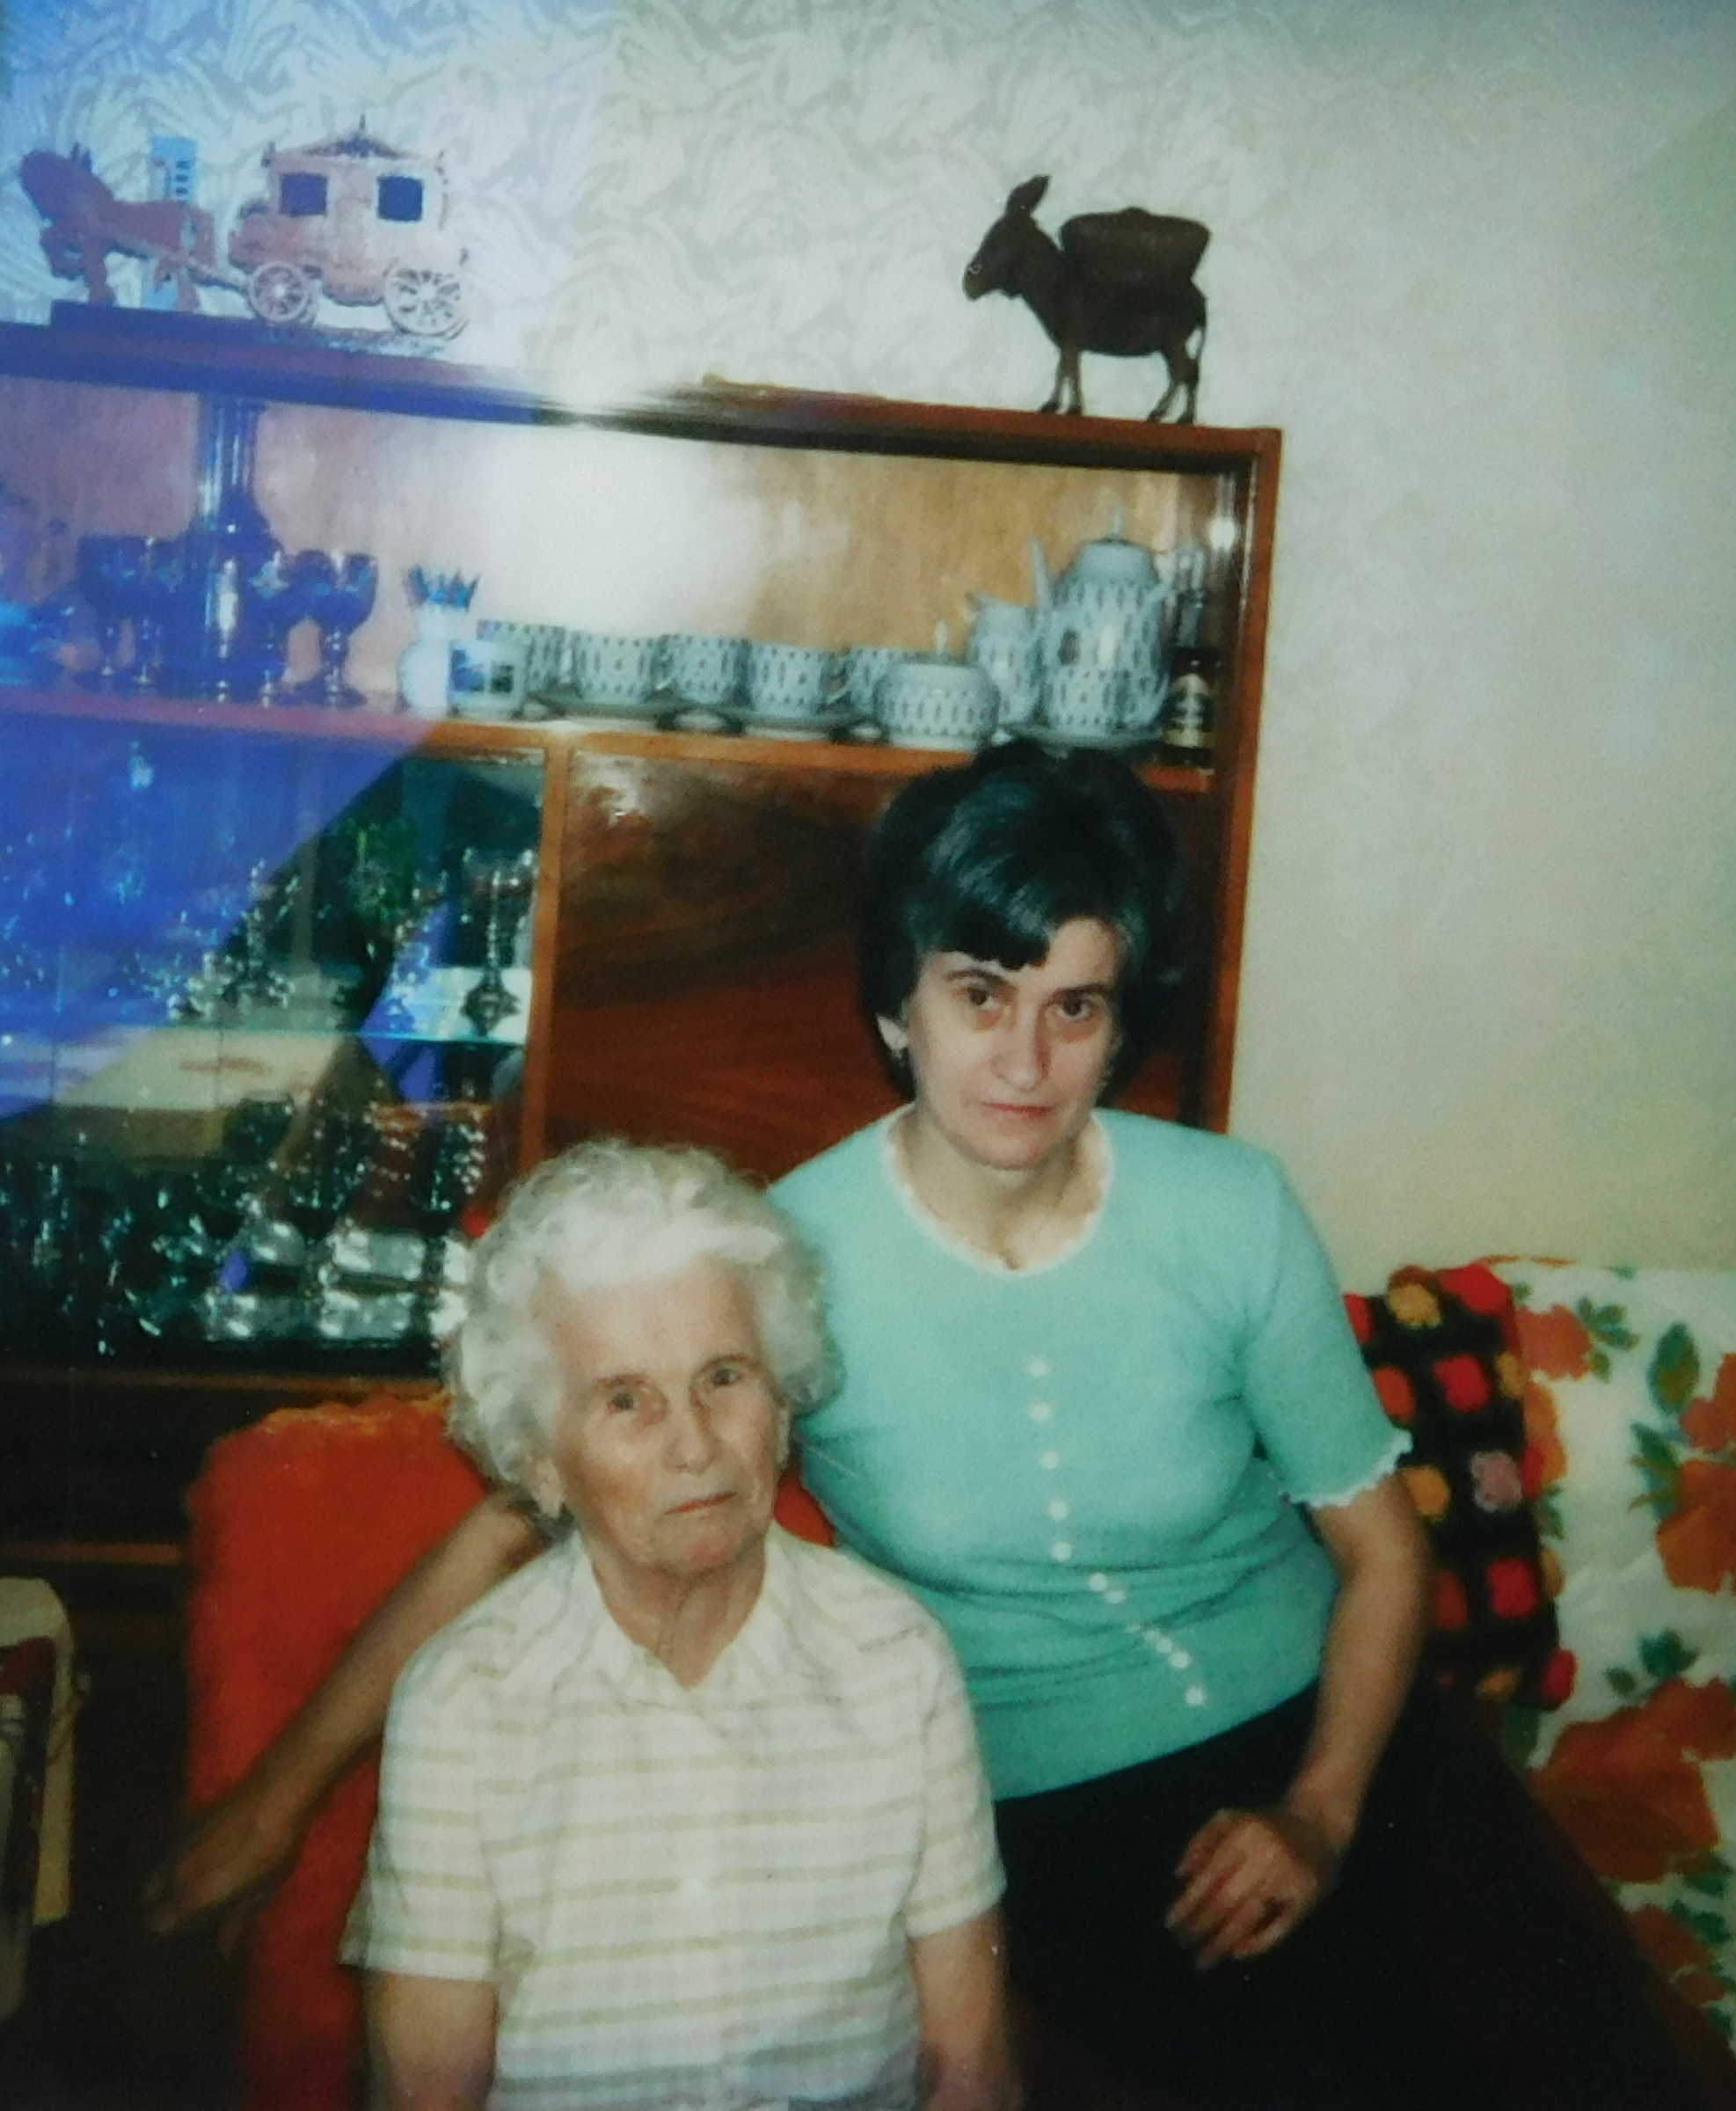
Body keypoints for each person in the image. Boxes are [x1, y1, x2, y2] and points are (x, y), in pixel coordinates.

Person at [153, 741, 1483, 2110]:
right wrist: (278, 1797)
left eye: (1074, 1007)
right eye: (981, 995)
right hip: (1042, 1808)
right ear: (900, 1005)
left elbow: (1383, 1553)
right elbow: (515, 1515)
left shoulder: (1231, 1208)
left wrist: (1319, 1812)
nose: (1026, 1060)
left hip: (1330, 1736)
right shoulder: (792, 1259)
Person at [343, 1136, 1016, 2111]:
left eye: (724, 1377)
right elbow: (424, 2094)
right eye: (627, 1400)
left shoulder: (897, 1659)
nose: (694, 1445)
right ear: (539, 1462)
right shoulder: (462, 1704)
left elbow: (971, 2066)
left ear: (780, 1406)